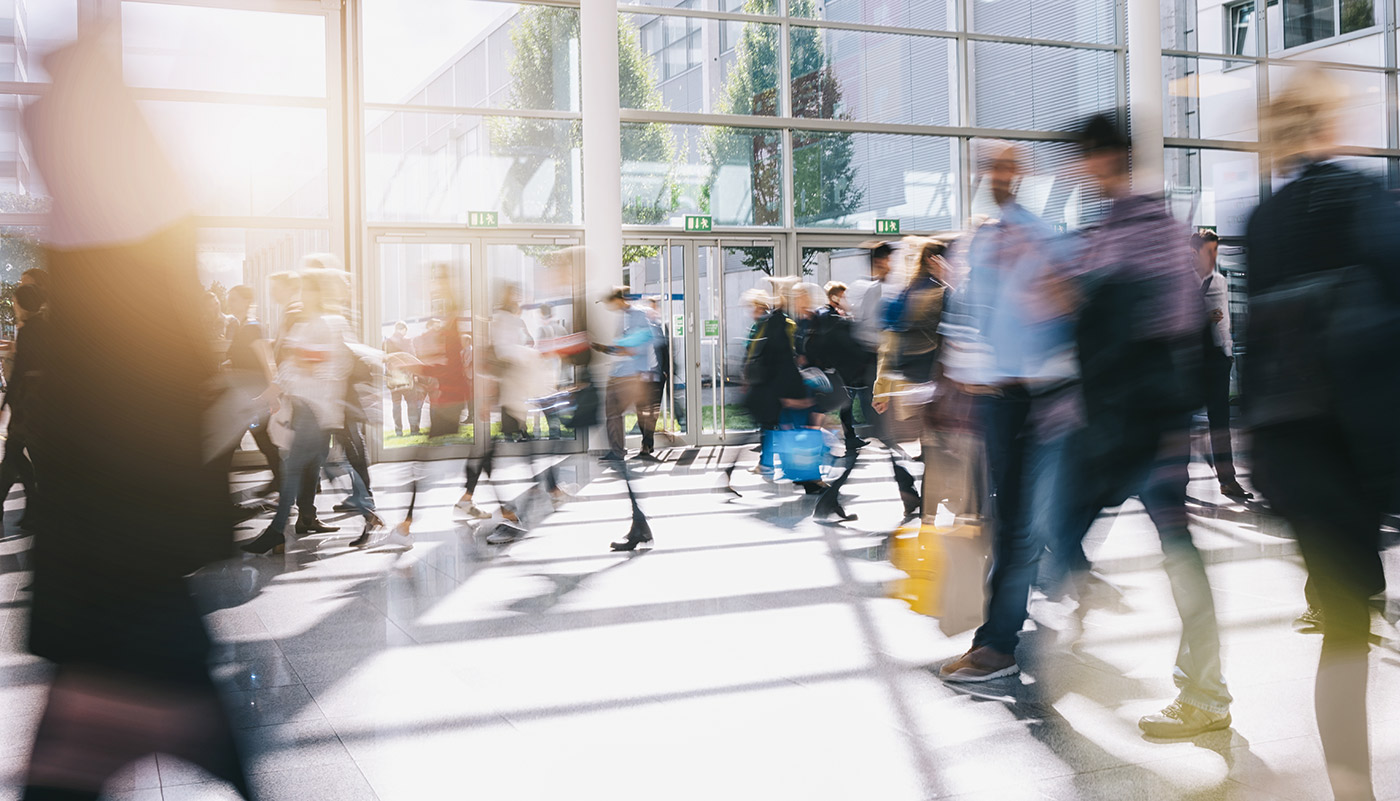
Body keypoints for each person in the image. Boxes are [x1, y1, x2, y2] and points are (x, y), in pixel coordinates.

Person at [20, 33, 252, 797]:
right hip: (129, 578)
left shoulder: (113, 277)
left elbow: (122, 422)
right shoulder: (137, 256)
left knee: (92, 749)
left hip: (116, 579)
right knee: (179, 719)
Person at [1245, 66, 1400, 801]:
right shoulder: (1365, 197)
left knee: (1342, 624)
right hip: (1366, 440)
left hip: (1292, 448)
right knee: (1350, 613)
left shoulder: (1263, 219)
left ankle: (1353, 792)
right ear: (1328, 126)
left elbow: (1255, 349)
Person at [1056, 115, 1232, 738]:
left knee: (1171, 550)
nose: (1078, 171)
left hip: (1141, 428)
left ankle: (1206, 695)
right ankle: (1204, 690)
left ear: (1104, 160)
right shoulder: (1111, 230)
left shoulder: (1142, 229)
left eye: (1084, 159)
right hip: (1126, 425)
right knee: (1164, 549)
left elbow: (1169, 329)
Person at [935, 143, 1079, 684]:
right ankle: (999, 636)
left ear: (1021, 176)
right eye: (988, 167)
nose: (994, 176)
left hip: (1032, 399)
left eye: (1005, 167)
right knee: (1011, 522)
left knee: (1017, 526)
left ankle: (998, 644)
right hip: (998, 399)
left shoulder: (1035, 237)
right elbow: (973, 317)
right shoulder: (987, 239)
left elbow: (1063, 309)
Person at [242, 268, 359, 554]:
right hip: (307, 411)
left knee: (294, 469)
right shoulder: (305, 325)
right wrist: (265, 395)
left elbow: (320, 367)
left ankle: (277, 532)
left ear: (317, 294)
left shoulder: (323, 325)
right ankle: (364, 512)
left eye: (307, 290)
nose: (301, 295)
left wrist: (301, 362)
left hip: (315, 412)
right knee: (311, 467)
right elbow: (289, 370)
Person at [1191, 230, 1251, 500]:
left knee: (1220, 422)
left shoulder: (1219, 281)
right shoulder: (1184, 283)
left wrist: (1228, 353)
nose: (1213, 256)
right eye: (1209, 251)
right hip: (1191, 360)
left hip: (1217, 359)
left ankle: (1228, 480)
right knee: (1181, 423)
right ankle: (1174, 485)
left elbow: (1223, 320)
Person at [223, 284, 283, 496]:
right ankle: (282, 479)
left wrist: (272, 394)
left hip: (253, 395)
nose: (230, 302)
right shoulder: (239, 327)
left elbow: (267, 361)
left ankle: (283, 479)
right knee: (262, 438)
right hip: (244, 394)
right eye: (229, 299)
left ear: (247, 302)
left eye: (234, 299)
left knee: (235, 441)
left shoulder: (253, 328)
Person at [0, 284, 49, 532]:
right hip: (37, 405)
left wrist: (7, 402)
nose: (14, 306)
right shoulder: (45, 327)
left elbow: (19, 372)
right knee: (19, 457)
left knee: (13, 455)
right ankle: (33, 510)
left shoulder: (30, 331)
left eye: (16, 302)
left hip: (27, 405)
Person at [598, 287, 656, 463]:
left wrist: (627, 350)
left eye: (611, 303)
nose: (610, 307)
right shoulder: (622, 317)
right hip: (619, 373)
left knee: (634, 413)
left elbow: (646, 341)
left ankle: (643, 448)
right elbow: (622, 346)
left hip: (633, 374)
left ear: (619, 299)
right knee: (612, 413)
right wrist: (608, 349)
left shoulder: (638, 315)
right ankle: (617, 451)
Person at [847, 241, 894, 445]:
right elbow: (865, 326)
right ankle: (885, 438)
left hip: (885, 355)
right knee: (876, 402)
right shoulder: (873, 290)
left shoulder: (883, 288)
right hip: (878, 355)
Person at [536, 303, 570, 439]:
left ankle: (554, 431)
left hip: (547, 373)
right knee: (554, 403)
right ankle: (557, 429)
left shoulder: (543, 330)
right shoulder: (561, 329)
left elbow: (540, 352)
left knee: (547, 404)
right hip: (559, 372)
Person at [383, 320, 421, 437]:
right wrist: (416, 375)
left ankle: (398, 431)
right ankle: (414, 430)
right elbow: (412, 358)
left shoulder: (386, 342)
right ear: (403, 329)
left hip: (393, 378)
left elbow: (384, 359)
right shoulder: (408, 341)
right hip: (406, 378)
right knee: (411, 404)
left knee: (396, 405)